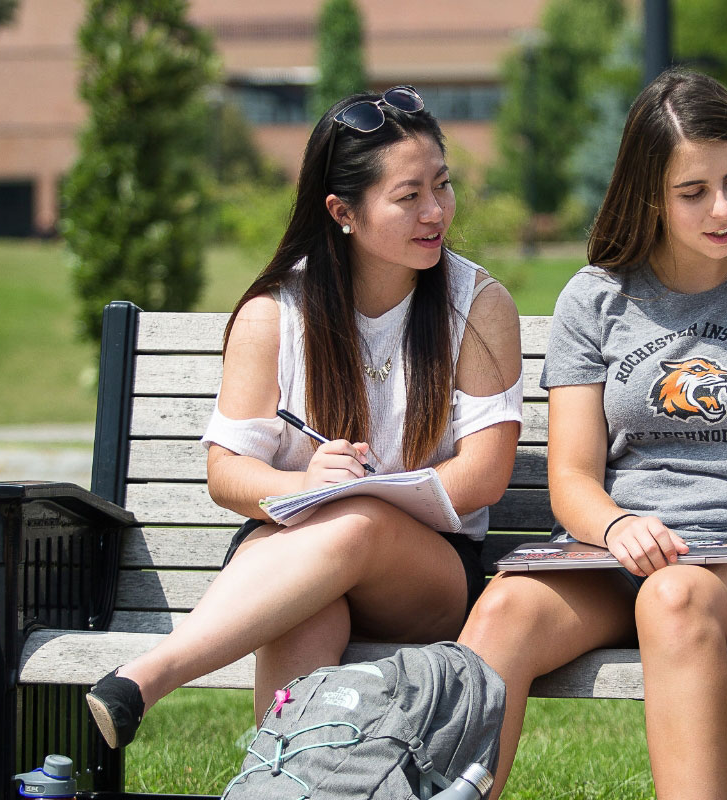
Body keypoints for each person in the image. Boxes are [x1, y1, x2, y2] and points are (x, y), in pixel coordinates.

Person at [457, 69, 727, 799]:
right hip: (615, 555)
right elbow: (573, 479)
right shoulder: (597, 296)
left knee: (674, 598)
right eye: (694, 193)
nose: (724, 208)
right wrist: (615, 526)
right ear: (649, 194)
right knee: (503, 608)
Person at [83, 87, 523, 748]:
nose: (436, 211)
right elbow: (226, 474)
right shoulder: (276, 311)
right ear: (343, 211)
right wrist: (308, 485)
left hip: (427, 572)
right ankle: (282, 783)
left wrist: (360, 497)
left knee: (358, 524)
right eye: (409, 197)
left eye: (443, 185)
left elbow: (485, 476)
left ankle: (146, 677)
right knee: (304, 613)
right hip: (294, 556)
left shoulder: (476, 304)